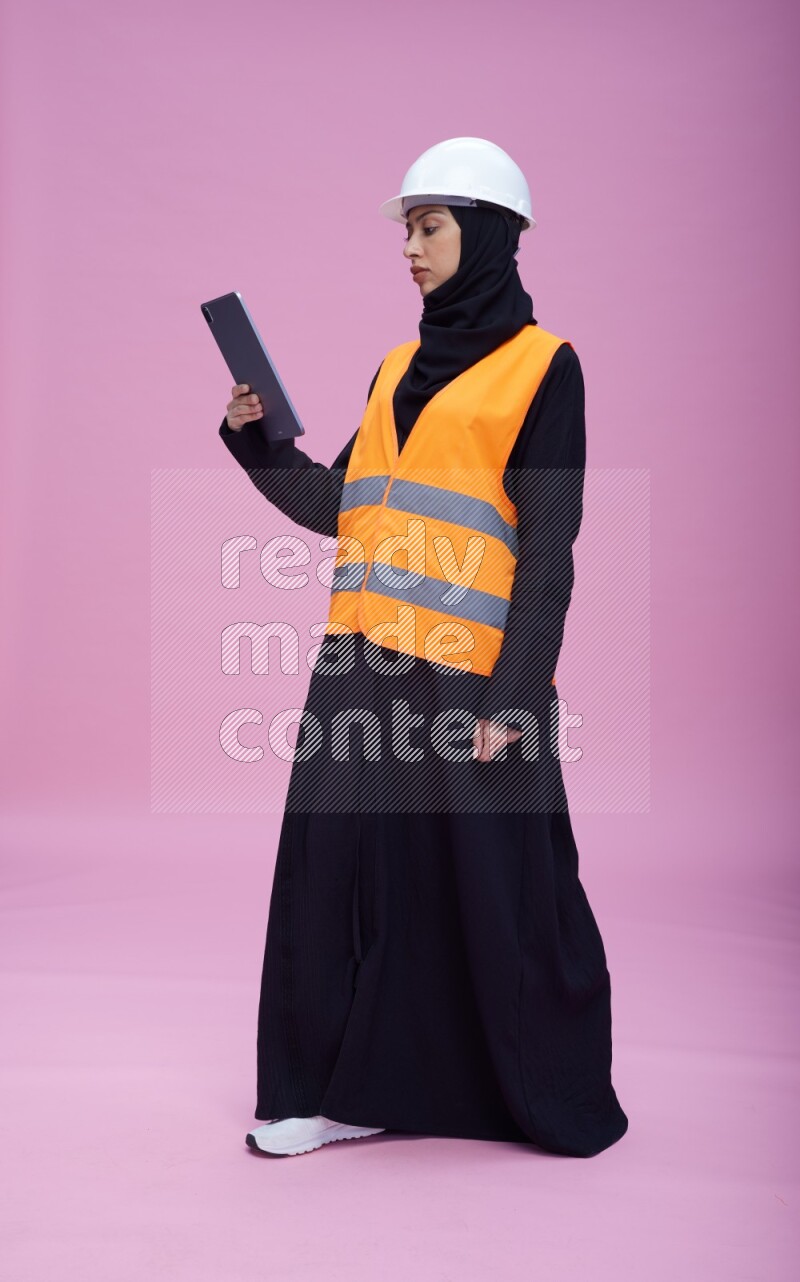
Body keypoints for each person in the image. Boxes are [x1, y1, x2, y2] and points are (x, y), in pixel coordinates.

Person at [218, 137, 629, 1159]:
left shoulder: (545, 369)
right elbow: (345, 505)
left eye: (429, 225)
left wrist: (510, 698)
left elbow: (546, 551)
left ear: (486, 235)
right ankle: (322, 1091)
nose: (408, 245)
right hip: (356, 667)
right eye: (404, 226)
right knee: (335, 881)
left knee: (489, 895)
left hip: (466, 680)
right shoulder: (395, 366)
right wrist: (260, 441)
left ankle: (527, 1089)